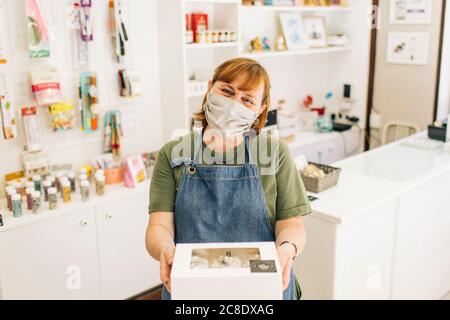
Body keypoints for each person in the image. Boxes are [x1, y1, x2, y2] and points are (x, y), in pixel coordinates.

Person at [145, 58, 311, 300]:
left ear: (260, 109)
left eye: (247, 100)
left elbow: (291, 225)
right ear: (210, 87)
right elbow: (158, 226)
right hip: (193, 288)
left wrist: (287, 248)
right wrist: (165, 249)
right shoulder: (173, 154)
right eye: (227, 91)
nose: (234, 104)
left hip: (262, 287)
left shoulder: (275, 153)